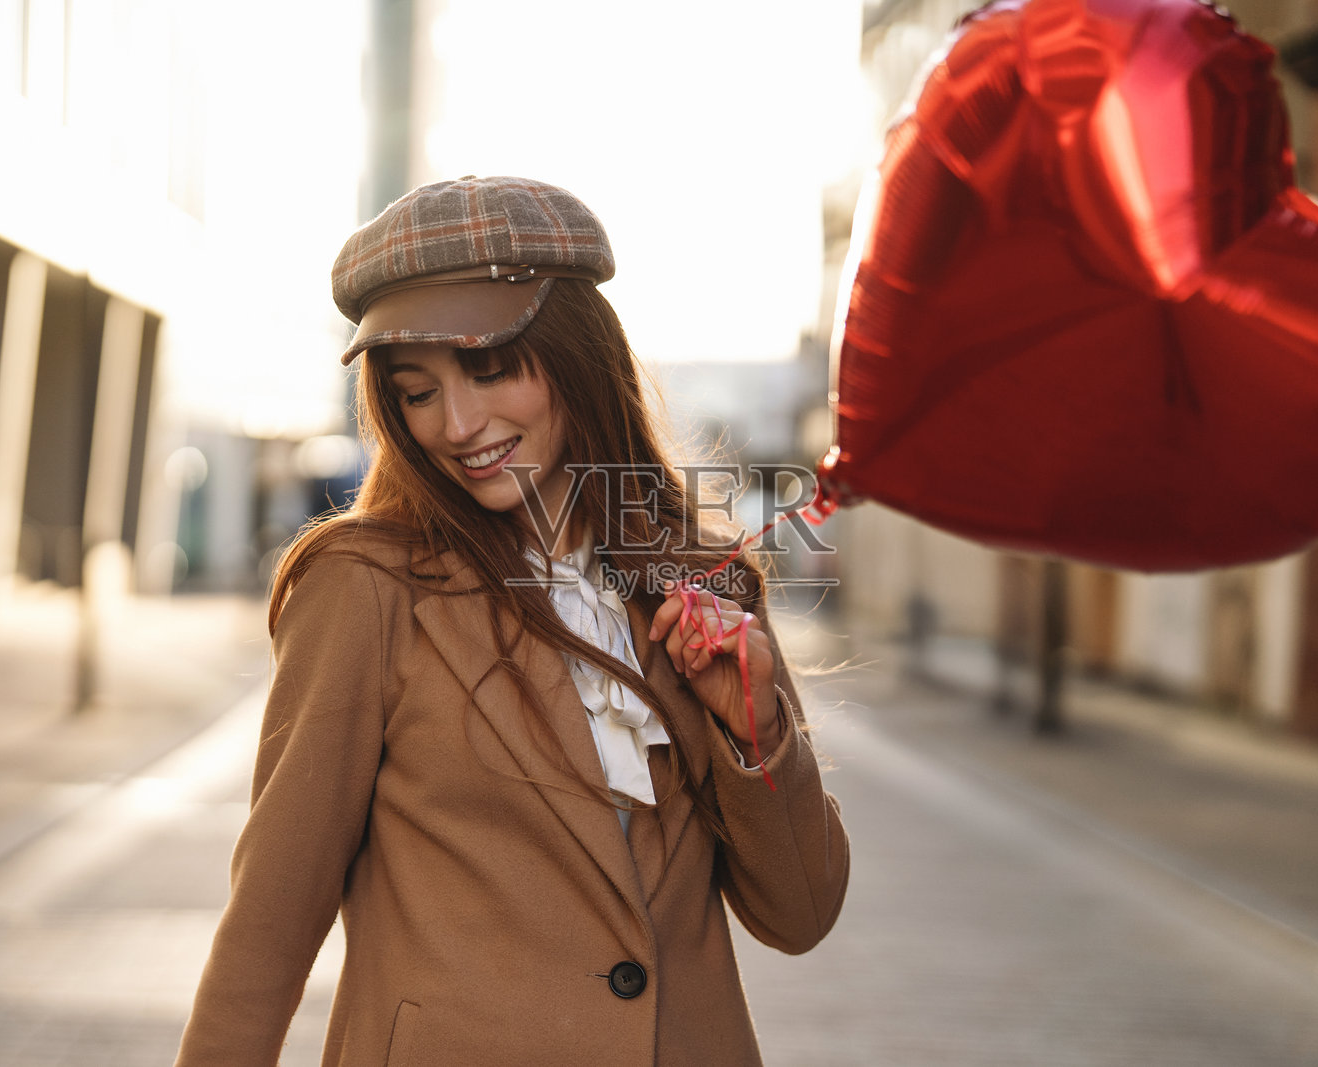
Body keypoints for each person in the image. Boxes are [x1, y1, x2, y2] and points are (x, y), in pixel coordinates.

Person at [175, 175, 849, 1066]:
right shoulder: (366, 587)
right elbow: (271, 916)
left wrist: (755, 728)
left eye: (490, 368)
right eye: (416, 391)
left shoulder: (700, 579)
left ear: (575, 356)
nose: (457, 423)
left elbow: (799, 915)